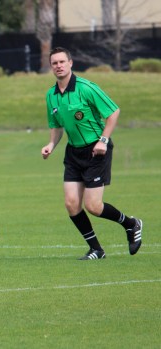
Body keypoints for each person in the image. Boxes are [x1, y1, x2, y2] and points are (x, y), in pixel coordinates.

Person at [41, 47, 143, 260]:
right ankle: (96, 249)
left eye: (62, 61)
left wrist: (103, 141)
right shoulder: (51, 95)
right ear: (51, 67)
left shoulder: (87, 88)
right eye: (54, 63)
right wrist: (51, 144)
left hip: (96, 151)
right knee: (71, 204)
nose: (58, 66)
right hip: (73, 153)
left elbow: (114, 111)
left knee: (94, 206)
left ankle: (131, 224)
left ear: (70, 63)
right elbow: (57, 125)